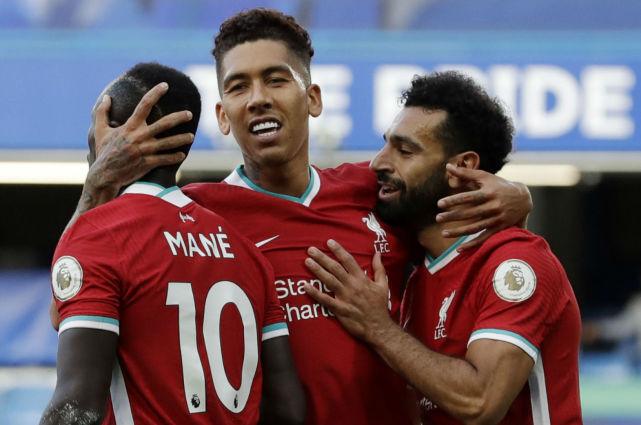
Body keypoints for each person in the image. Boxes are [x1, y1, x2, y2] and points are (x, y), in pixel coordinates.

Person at [54, 9, 533, 425]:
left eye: (276, 79)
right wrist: (97, 186)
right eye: (238, 86)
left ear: (314, 98)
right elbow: (67, 303)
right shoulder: (198, 217)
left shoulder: (373, 190)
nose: (258, 97)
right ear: (222, 117)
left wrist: (518, 198)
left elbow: (456, 215)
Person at [303, 72, 582, 424]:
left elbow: (480, 403)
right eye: (386, 144)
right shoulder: (417, 270)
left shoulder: (516, 263)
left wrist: (378, 327)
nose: (378, 163)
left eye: (405, 151)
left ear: (461, 167)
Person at [41, 62, 304, 425]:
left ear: (119, 130)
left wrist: (95, 186)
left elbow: (75, 410)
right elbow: (289, 409)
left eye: (97, 120)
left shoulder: (100, 237)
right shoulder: (247, 252)